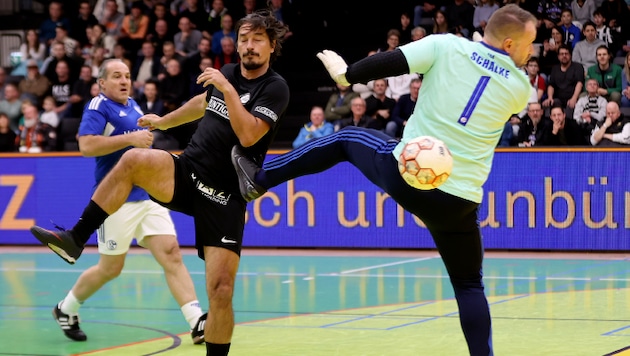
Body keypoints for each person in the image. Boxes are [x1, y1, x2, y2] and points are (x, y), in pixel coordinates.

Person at [230, 5, 536, 355]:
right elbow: (489, 76)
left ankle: (259, 178)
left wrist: (346, 75)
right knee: (469, 285)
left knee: (345, 140)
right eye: (530, 44)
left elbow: (388, 62)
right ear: (510, 44)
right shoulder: (520, 87)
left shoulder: (447, 45)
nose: (531, 52)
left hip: (407, 174)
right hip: (458, 201)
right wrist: (488, 53)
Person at [29, 11, 290, 356]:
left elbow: (248, 133)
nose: (248, 46)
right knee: (134, 159)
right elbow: (202, 103)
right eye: (243, 39)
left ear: (272, 45)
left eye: (257, 39)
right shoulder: (226, 74)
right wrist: (164, 122)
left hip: (225, 195)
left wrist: (226, 88)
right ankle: (76, 238)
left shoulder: (275, 88)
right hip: (188, 171)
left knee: (221, 290)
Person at [42, 58, 206, 344]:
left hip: (148, 196)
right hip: (114, 201)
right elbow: (86, 145)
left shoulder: (134, 105)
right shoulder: (98, 106)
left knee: (171, 253)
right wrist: (130, 139)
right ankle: (65, 308)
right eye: (116, 76)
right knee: (110, 269)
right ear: (101, 83)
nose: (124, 81)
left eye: (128, 76)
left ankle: (196, 322)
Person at [543, 44, 585, 109]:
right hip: (558, 99)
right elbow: (551, 85)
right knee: (548, 106)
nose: (564, 56)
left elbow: (579, 83)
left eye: (566, 54)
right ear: (558, 56)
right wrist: (550, 98)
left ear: (570, 55)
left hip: (573, 99)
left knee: (570, 109)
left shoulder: (578, 67)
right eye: (561, 54)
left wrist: (574, 98)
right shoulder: (555, 68)